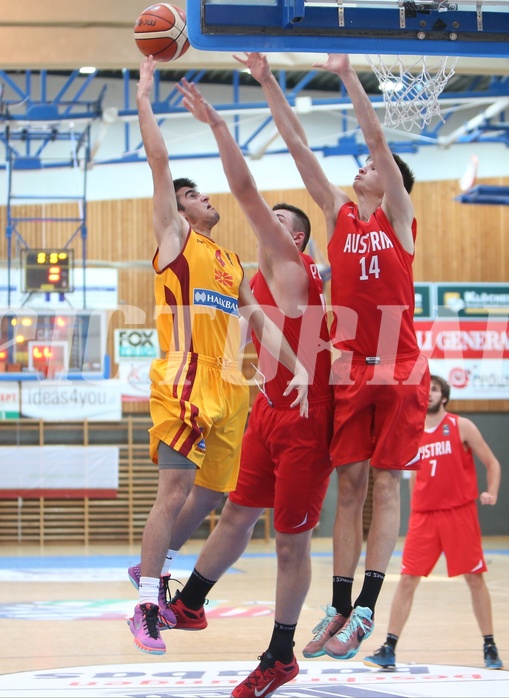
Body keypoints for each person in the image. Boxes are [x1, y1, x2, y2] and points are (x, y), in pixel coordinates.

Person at [236, 51, 430, 661]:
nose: (362, 164)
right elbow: (297, 148)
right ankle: (339, 607)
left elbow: (376, 133)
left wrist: (348, 76)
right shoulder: (336, 214)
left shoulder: (398, 217)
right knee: (348, 488)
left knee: (386, 484)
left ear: (390, 179)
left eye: (371, 164)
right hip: (350, 368)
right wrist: (269, 82)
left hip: (398, 366)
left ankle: (367, 608)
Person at [154, 78, 333, 697]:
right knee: (235, 513)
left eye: (280, 224)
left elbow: (246, 191)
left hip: (309, 417)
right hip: (267, 408)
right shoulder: (250, 280)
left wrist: (219, 126)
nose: (266, 226)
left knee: (290, 543)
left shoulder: (293, 265)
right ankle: (193, 602)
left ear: (297, 239)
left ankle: (280, 654)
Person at [128, 55, 309, 657]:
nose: (204, 198)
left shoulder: (231, 262)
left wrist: (299, 365)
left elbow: (259, 322)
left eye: (203, 193)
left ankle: (152, 569)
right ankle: (148, 600)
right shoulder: (175, 240)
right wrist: (145, 98)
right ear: (179, 212)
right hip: (184, 373)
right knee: (174, 492)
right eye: (194, 194)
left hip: (231, 385)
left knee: (214, 495)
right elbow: (159, 161)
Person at [364, 374, 503, 671]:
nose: (429, 394)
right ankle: (389, 646)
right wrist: (416, 507)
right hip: (424, 517)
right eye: (426, 389)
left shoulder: (461, 426)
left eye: (435, 389)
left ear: (445, 396)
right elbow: (413, 475)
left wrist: (491, 492)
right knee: (407, 580)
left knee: (474, 578)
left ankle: (490, 645)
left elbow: (492, 462)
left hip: (459, 513)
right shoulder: (413, 432)